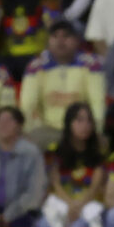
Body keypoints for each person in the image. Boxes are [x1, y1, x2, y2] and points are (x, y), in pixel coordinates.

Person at [19, 19, 105, 148]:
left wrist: (97, 131)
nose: (60, 41)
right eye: (55, 36)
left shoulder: (91, 64)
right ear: (49, 41)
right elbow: (27, 105)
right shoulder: (36, 67)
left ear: (77, 40)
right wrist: (26, 133)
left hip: (82, 130)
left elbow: (98, 103)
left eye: (66, 36)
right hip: (47, 129)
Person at [36, 103, 105, 227]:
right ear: (69, 123)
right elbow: (55, 185)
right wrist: (70, 206)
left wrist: (78, 207)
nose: (85, 125)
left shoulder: (98, 155)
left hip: (87, 205)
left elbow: (94, 188)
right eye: (79, 120)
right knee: (43, 226)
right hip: (62, 203)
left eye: (89, 121)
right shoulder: (55, 153)